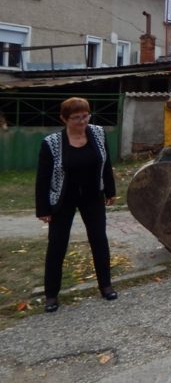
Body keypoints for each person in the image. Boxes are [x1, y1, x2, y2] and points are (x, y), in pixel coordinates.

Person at [35, 97, 118, 313]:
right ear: (64, 118)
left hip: (92, 196)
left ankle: (106, 285)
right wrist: (43, 209)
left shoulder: (98, 133)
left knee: (99, 240)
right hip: (63, 199)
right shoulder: (51, 143)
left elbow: (105, 162)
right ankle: (51, 295)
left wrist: (110, 190)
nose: (82, 121)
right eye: (76, 118)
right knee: (57, 245)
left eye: (86, 115)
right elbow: (42, 178)